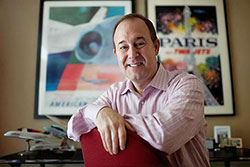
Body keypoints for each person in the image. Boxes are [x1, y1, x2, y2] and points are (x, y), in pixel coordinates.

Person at [67, 13, 210, 166]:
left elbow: (162, 137)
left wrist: (115, 122)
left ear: (156, 47)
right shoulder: (114, 93)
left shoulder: (187, 85)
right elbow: (73, 129)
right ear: (116, 54)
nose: (132, 54)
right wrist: (101, 112)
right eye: (123, 47)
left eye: (139, 44)